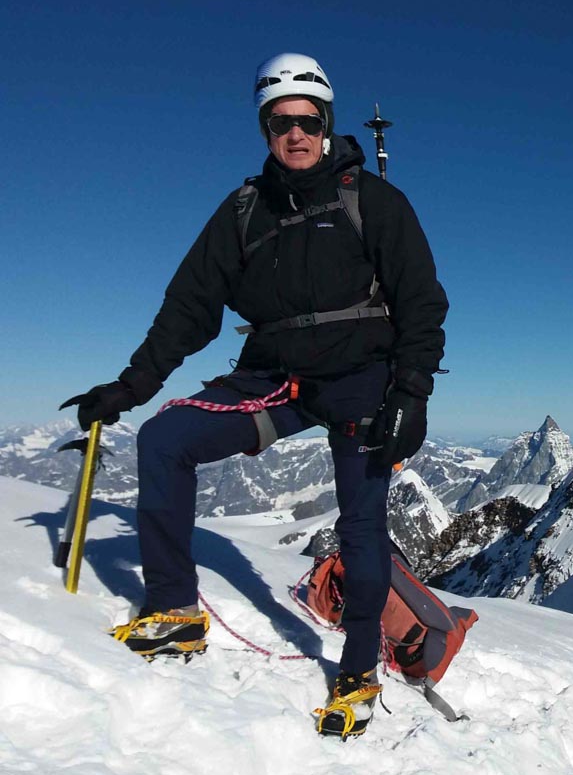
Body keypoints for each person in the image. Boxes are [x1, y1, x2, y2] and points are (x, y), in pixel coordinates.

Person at [64, 53, 448, 738]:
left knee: (359, 525)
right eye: (280, 122)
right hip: (277, 378)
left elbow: (421, 302)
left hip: (364, 379)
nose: (294, 134)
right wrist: (129, 388)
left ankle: (358, 669)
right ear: (265, 127)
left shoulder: (372, 200)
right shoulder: (243, 212)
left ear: (325, 123)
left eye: (306, 120)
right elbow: (188, 308)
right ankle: (176, 611)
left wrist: (410, 392)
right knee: (164, 438)